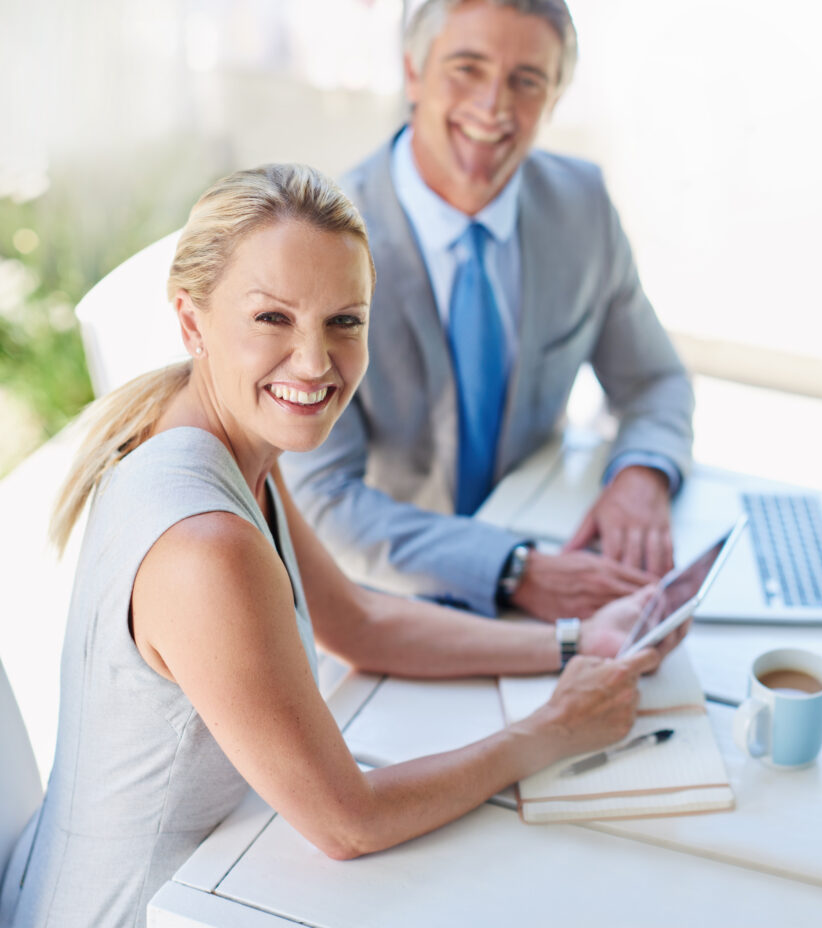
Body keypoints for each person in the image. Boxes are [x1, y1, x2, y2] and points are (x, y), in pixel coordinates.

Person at [0, 164, 684, 928]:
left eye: (343, 321)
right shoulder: (206, 549)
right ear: (192, 322)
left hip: (202, 883)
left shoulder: (219, 435)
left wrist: (573, 640)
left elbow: (359, 624)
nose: (315, 362)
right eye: (272, 319)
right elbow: (346, 822)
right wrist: (552, 731)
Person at [281, 0, 695, 622]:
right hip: (391, 595)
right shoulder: (323, 244)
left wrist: (642, 474)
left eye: (527, 81)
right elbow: (320, 499)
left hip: (557, 546)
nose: (494, 107)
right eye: (467, 68)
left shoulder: (581, 208)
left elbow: (654, 381)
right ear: (413, 74)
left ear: (554, 98)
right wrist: (512, 569)